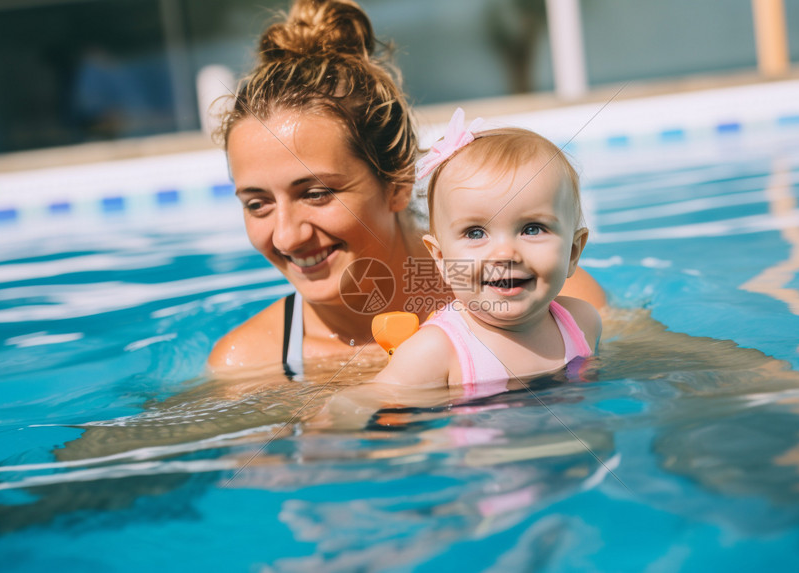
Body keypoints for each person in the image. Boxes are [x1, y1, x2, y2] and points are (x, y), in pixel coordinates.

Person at [207, 0, 606, 376]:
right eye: (257, 204)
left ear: (397, 182)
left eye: (316, 194)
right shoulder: (249, 366)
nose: (287, 235)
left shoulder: (555, 303)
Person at [373, 110, 601, 391]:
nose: (505, 254)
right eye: (475, 233)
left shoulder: (582, 322)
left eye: (532, 229)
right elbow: (362, 407)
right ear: (441, 259)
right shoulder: (436, 352)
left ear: (574, 251)